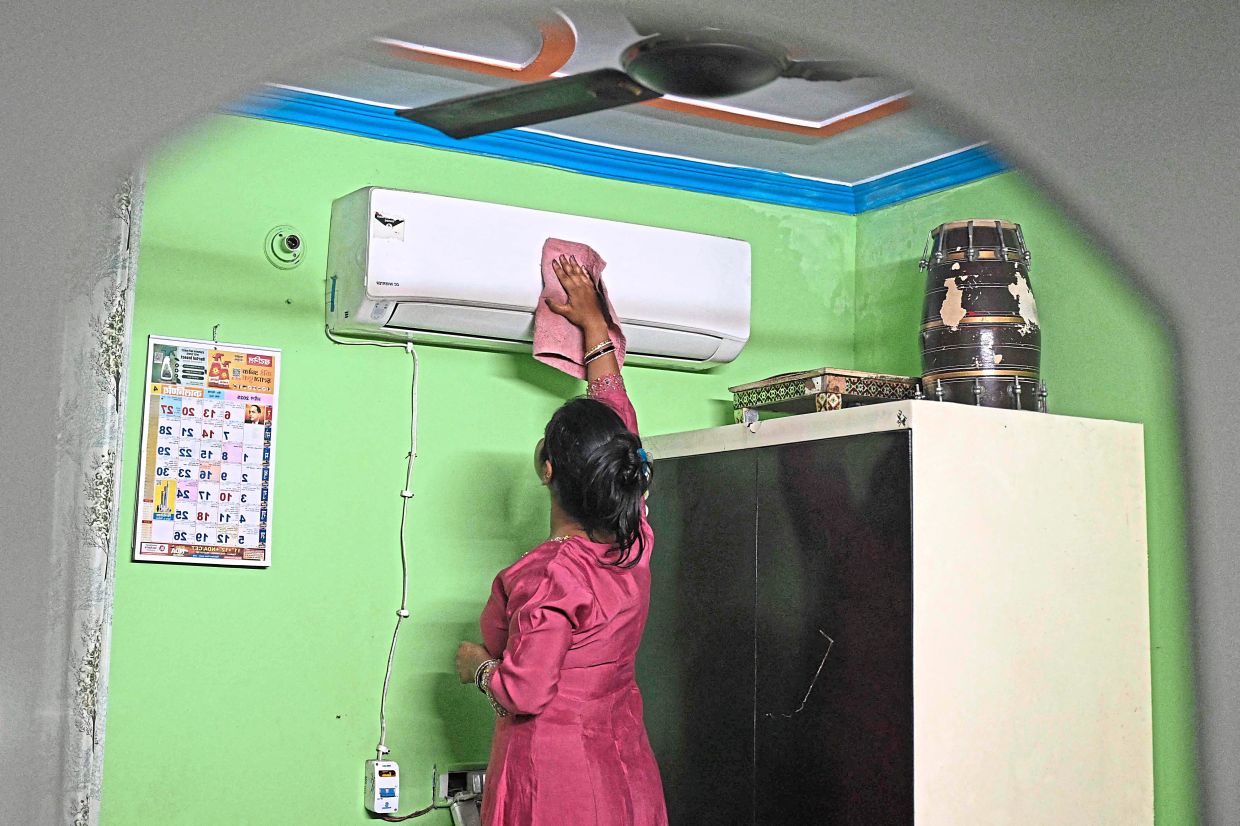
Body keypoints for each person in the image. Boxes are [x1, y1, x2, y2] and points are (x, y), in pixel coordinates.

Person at [455, 254, 668, 826]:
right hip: (623, 761)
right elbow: (620, 429)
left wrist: (474, 665)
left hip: (555, 778)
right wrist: (595, 327)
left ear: (547, 468)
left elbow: (524, 693)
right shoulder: (634, 541)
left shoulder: (549, 577)